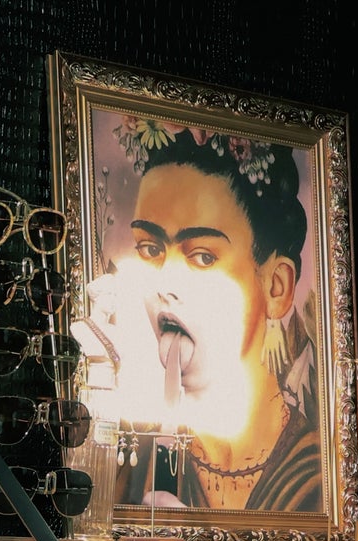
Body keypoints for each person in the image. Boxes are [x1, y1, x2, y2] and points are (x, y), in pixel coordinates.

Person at [96, 120, 324, 513]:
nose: (165, 284)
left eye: (202, 257)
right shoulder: (129, 463)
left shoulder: (320, 478)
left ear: (276, 287)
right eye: (150, 250)